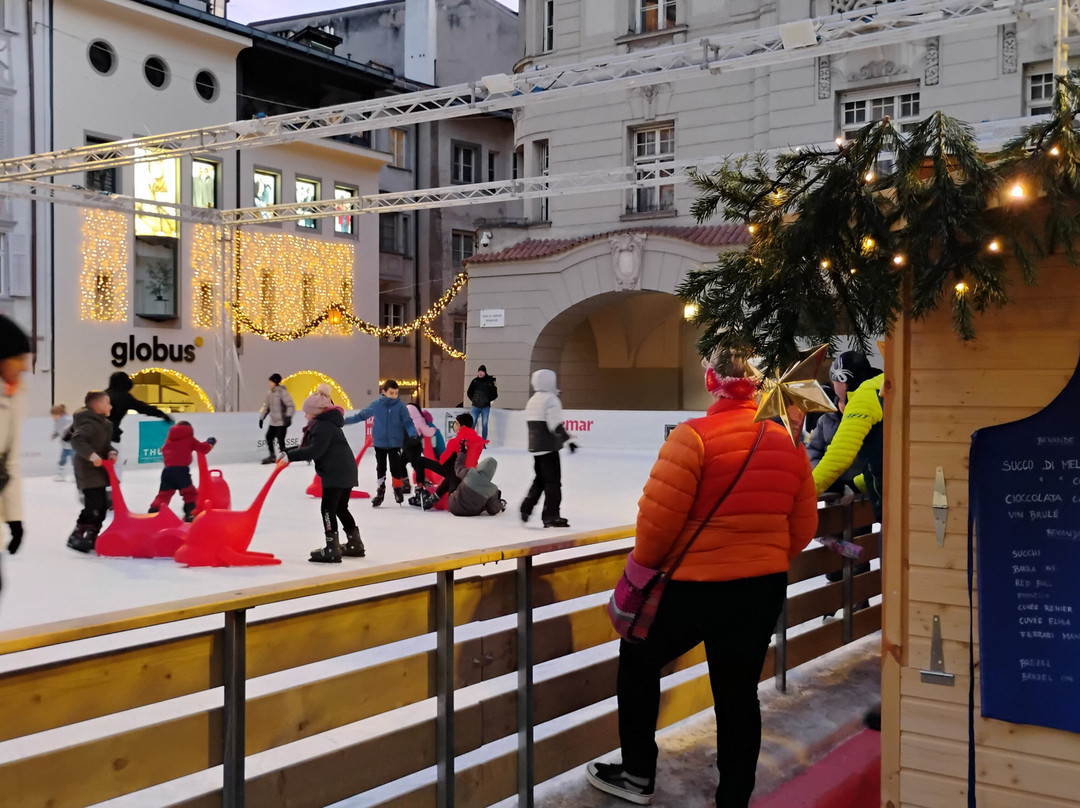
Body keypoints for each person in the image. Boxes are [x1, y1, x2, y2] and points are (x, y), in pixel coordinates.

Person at [585, 350, 818, 808]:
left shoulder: (692, 437)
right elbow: (804, 526)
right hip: (760, 588)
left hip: (695, 589)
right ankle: (734, 796)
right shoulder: (786, 441)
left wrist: (647, 567)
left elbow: (655, 527)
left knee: (638, 659)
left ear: (712, 382)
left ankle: (636, 772)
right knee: (739, 693)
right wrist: (763, 556)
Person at [281, 389, 364, 562]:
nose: (305, 415)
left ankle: (331, 548)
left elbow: (314, 450)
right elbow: (311, 446)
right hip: (345, 471)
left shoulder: (322, 426)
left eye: (307, 412)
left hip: (335, 473)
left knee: (328, 509)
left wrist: (290, 456)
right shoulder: (328, 424)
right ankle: (355, 544)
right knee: (340, 508)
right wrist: (288, 452)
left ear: (316, 412)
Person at [812, 351, 885, 521]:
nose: (834, 388)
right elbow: (886, 461)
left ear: (843, 381)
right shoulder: (884, 389)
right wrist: (854, 484)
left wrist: (804, 490)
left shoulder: (863, 398)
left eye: (834, 381)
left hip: (891, 505)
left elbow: (839, 456)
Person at [345, 379, 417, 507]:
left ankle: (397, 488)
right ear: (384, 392)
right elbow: (360, 416)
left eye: (396, 393)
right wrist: (344, 421)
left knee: (396, 467)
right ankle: (380, 491)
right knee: (381, 467)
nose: (394, 396)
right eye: (391, 393)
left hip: (395, 442)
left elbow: (408, 422)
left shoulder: (400, 406)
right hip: (379, 442)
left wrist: (413, 434)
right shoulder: (376, 405)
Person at [520, 369, 575, 528]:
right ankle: (551, 516)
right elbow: (555, 424)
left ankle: (526, 507)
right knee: (553, 483)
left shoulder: (533, 400)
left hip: (536, 448)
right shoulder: (551, 399)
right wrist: (568, 441)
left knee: (540, 479)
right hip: (548, 447)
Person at [67, 391, 118, 553]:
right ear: (97, 405)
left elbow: (105, 445)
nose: (110, 406)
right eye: (107, 403)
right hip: (88, 471)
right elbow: (77, 440)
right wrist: (92, 455)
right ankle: (77, 535)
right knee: (94, 506)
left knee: (102, 506)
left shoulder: (105, 424)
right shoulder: (88, 423)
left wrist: (111, 452)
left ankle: (91, 536)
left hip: (100, 471)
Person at [0, 315, 30, 572]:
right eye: (18, 358)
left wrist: (14, 518)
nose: (24, 367)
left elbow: (8, 463)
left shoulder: (13, 394)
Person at [411, 413, 485, 509]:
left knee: (420, 461)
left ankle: (419, 491)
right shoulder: (478, 441)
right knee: (453, 470)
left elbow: (442, 460)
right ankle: (434, 496)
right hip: (469, 472)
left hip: (455, 473)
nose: (454, 425)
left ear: (461, 426)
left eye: (456, 423)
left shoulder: (455, 441)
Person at [147, 421, 216, 522]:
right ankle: (190, 514)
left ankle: (154, 510)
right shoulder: (189, 439)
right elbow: (203, 449)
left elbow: (164, 450)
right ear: (189, 430)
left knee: (164, 494)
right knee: (190, 494)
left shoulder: (169, 440)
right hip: (181, 471)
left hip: (167, 471)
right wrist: (210, 443)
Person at [105, 371, 173, 445]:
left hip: (99, 433)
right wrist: (161, 414)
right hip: (111, 435)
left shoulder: (104, 394)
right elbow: (143, 408)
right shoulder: (124, 397)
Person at [447, 443, 505, 517]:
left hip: (453, 506)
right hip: (472, 512)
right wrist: (501, 504)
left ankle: (437, 496)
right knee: (485, 499)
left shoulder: (470, 473)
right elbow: (492, 510)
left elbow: (458, 466)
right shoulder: (492, 489)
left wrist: (462, 452)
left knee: (455, 476)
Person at [259, 373, 295, 465]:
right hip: (273, 422)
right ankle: (272, 456)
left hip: (282, 422)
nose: (269, 384)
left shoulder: (282, 393)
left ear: (275, 382)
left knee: (281, 441)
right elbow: (266, 407)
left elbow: (290, 405)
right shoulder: (269, 394)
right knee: (269, 437)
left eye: (271, 382)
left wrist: (288, 417)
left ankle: (285, 458)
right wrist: (262, 418)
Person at [404, 402, 436, 495]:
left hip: (409, 445)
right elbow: (427, 431)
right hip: (415, 445)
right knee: (417, 465)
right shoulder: (419, 420)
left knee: (405, 463)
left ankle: (409, 483)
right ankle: (420, 483)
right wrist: (433, 430)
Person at [466, 364, 498, 441]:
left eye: (482, 372)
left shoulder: (490, 382)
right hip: (475, 406)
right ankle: (469, 440)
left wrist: (488, 400)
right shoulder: (475, 381)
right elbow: (469, 392)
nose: (480, 373)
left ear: (485, 373)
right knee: (472, 423)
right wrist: (473, 399)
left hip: (485, 407)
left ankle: (483, 442)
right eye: (479, 371)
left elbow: (495, 394)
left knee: (484, 424)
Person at [50, 404, 75, 482]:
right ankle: (60, 475)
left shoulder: (67, 419)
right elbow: (57, 431)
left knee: (74, 461)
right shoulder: (57, 422)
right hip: (64, 446)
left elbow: (73, 426)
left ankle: (76, 475)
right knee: (62, 460)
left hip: (72, 446)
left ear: (59, 414)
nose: (53, 418)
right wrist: (55, 434)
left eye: (54, 416)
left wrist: (67, 428)